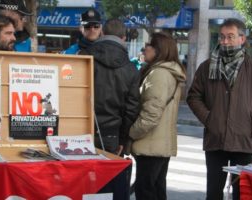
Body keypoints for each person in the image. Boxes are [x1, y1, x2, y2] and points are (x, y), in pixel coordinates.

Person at [187, 18, 252, 200]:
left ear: (242, 39)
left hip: (243, 140)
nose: (225, 41)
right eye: (222, 37)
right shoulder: (207, 67)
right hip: (216, 139)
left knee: (241, 193)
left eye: (230, 37)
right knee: (214, 192)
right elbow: (193, 96)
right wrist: (209, 118)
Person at [129, 32, 186, 200]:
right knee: (156, 189)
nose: (145, 48)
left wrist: (131, 133)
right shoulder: (166, 71)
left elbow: (151, 115)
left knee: (146, 191)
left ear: (159, 50)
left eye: (149, 45)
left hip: (150, 144)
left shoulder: (159, 74)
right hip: (157, 144)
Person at [80, 19, 140, 155]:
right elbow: (132, 109)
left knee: (82, 175)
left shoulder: (84, 58)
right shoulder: (131, 69)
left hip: (80, 131)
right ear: (124, 38)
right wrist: (122, 140)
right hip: (112, 135)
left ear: (102, 32)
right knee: (109, 175)